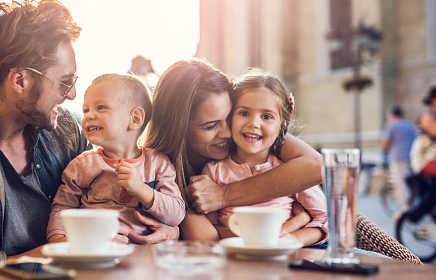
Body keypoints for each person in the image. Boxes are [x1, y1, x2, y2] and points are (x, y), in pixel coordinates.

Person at [0, 0, 177, 280]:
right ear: (20, 81)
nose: (71, 95)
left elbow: (108, 203)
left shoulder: (66, 128)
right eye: (64, 81)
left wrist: (168, 229)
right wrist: (56, 250)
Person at [144, 58, 323, 241]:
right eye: (211, 126)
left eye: (230, 117)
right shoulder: (165, 174)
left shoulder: (253, 140)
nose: (228, 132)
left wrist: (224, 195)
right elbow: (207, 238)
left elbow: (317, 166)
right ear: (179, 130)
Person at [47, 74, 185, 242]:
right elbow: (63, 208)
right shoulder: (82, 165)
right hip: (97, 254)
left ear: (135, 119)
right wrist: (57, 239)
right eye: (86, 110)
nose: (89, 115)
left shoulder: (158, 164)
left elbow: (176, 215)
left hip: (145, 257)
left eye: (101, 107)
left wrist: (142, 190)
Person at [201, 69, 327, 246]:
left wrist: (294, 238)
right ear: (229, 117)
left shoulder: (290, 169)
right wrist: (257, 237)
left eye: (267, 116)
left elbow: (322, 219)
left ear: (282, 123)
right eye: (244, 113)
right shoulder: (214, 172)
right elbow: (211, 227)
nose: (254, 123)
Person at [381, 105, 417, 211]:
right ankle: (411, 204)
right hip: (412, 158)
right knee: (409, 183)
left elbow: (385, 142)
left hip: (398, 158)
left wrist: (384, 152)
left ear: (392, 115)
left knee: (400, 184)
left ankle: (404, 209)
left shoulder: (392, 124)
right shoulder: (409, 124)